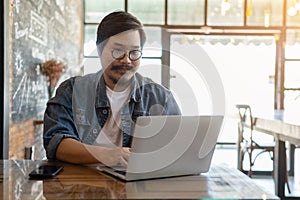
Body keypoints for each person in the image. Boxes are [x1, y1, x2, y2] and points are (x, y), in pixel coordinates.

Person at [43, 11, 181, 167]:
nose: (127, 60)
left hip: (138, 185)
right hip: (80, 184)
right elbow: (55, 142)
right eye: (118, 51)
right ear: (100, 50)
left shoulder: (161, 98)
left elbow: (178, 148)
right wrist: (107, 155)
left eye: (134, 52)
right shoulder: (72, 90)